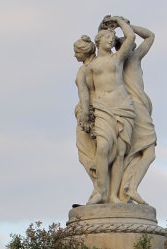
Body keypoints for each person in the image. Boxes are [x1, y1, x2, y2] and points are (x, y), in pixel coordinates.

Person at [84, 16, 136, 204]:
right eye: (107, 38)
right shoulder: (91, 67)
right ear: (98, 40)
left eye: (112, 39)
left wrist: (119, 22)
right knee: (104, 148)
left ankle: (113, 195)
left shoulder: (118, 58)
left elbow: (129, 38)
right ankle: (101, 191)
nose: (111, 40)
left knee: (121, 151)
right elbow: (89, 92)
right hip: (103, 108)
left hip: (123, 107)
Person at [116, 25, 157, 205]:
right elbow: (150, 36)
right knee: (149, 152)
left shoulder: (119, 61)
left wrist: (122, 24)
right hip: (137, 108)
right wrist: (125, 24)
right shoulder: (132, 58)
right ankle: (131, 188)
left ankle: (126, 189)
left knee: (133, 153)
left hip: (134, 107)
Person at [73, 35, 97, 202]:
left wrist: (84, 116)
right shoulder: (100, 63)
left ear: (84, 52)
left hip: (88, 115)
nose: (74, 55)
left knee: (86, 154)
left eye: (76, 52)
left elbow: (85, 95)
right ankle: (102, 189)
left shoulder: (84, 70)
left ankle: (99, 188)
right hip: (102, 111)